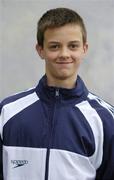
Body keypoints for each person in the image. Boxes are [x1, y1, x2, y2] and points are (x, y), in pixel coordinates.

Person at [0, 7, 114, 180]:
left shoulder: (105, 120)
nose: (64, 54)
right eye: (54, 46)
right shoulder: (8, 112)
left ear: (84, 48)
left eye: (73, 46)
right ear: (40, 50)